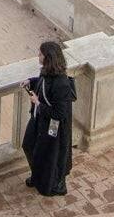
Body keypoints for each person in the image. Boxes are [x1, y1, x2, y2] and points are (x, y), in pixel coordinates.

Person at [22, 41, 76, 197]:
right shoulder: (47, 71)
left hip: (53, 125)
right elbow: (43, 83)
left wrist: (38, 103)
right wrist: (31, 81)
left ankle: (56, 184)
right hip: (40, 119)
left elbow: (60, 113)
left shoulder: (61, 83)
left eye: (40, 54)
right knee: (29, 145)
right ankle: (38, 176)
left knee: (52, 154)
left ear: (48, 58)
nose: (38, 56)